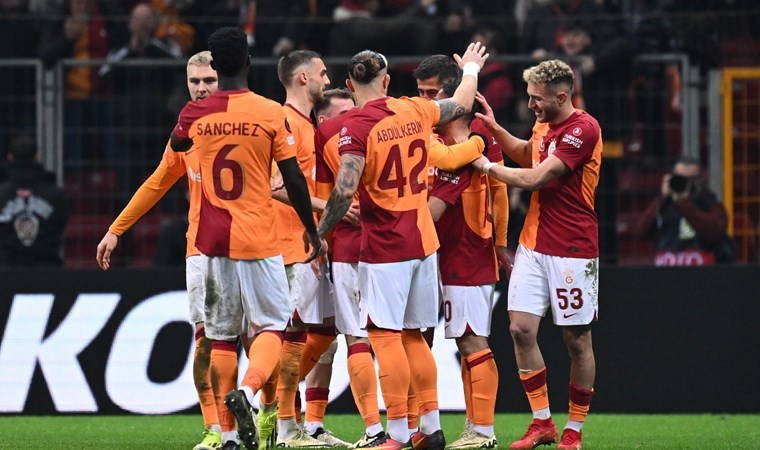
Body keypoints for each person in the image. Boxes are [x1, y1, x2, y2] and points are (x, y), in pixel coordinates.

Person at [316, 43, 489, 450]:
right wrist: (471, 70)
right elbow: (461, 105)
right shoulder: (414, 109)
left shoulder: (355, 127)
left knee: (383, 335)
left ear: (349, 85)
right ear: (387, 80)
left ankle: (394, 434)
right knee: (415, 336)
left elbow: (344, 189)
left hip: (385, 245)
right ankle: (430, 426)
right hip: (424, 241)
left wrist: (320, 232)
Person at [169, 27, 323, 450]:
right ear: (250, 62)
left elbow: (178, 143)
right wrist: (312, 229)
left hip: (213, 242)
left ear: (215, 67)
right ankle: (250, 391)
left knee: (220, 337)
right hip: (259, 238)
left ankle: (228, 434)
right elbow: (292, 178)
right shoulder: (270, 112)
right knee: (273, 326)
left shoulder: (194, 112)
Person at [470, 60, 601, 450]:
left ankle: (574, 429)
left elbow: (536, 177)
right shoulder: (544, 124)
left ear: (562, 96)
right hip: (532, 243)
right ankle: (542, 422)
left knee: (576, 340)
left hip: (573, 249)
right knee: (520, 329)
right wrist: (496, 130)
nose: (531, 105)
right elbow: (530, 154)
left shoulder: (583, 129)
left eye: (537, 99)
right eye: (529, 97)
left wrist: (486, 166)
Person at [95, 50, 223, 450]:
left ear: (225, 79)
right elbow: (157, 182)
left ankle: (271, 418)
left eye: (209, 81)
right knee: (205, 340)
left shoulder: (254, 120)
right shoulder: (185, 130)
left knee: (260, 339)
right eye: (194, 81)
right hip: (201, 249)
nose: (201, 88)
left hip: (254, 248)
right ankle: (215, 428)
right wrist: (116, 229)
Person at [266, 49, 343, 449]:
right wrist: (329, 208)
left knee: (326, 328)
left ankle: (293, 418)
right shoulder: (283, 121)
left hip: (308, 241)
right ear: (302, 78)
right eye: (322, 73)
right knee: (293, 331)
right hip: (286, 245)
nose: (327, 80)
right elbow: (275, 187)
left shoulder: (306, 123)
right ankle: (282, 423)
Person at [427, 82, 505, 450]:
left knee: (473, 340)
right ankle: (475, 427)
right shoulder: (459, 145)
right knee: (466, 340)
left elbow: (435, 209)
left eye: (435, 96)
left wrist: (500, 243)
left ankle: (484, 431)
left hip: (468, 253)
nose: (429, 104)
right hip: (452, 255)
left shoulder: (464, 152)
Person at [314, 87, 388, 448]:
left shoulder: (324, 135)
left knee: (355, 338)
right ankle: (408, 427)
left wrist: (320, 236)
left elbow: (327, 194)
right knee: (394, 337)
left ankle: (375, 429)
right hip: (392, 244)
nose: (349, 117)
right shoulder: (392, 123)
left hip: (346, 245)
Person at [635, 157, 734, 266]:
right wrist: (662, 199)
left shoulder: (709, 203)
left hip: (701, 271)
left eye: (691, 179)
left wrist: (683, 203)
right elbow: (640, 231)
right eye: (680, 178)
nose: (685, 183)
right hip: (666, 269)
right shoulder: (663, 204)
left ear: (700, 180)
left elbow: (713, 233)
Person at [0, 136, 66, 267]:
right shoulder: (55, 194)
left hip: (6, 270)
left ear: (10, 157)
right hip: (47, 269)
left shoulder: (2, 194)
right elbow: (61, 225)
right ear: (37, 156)